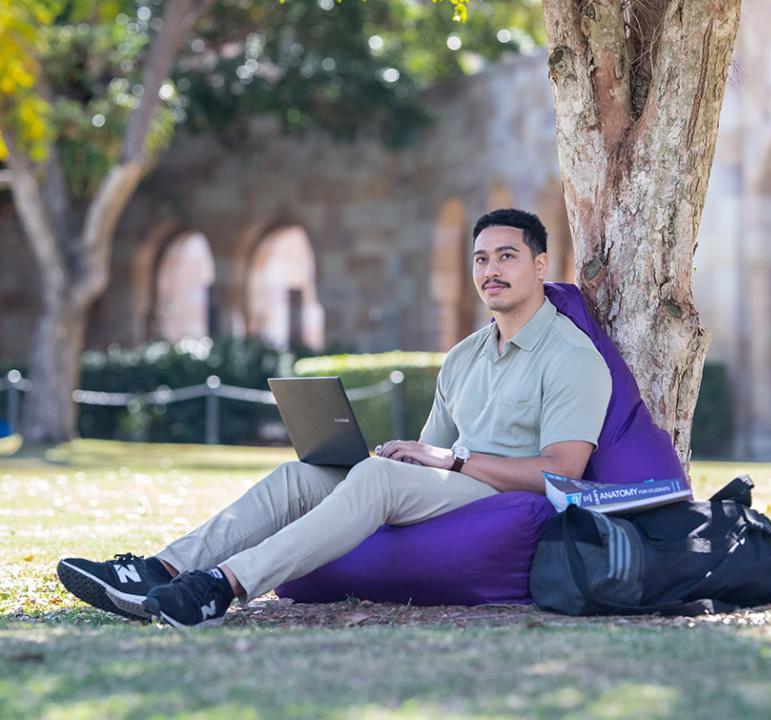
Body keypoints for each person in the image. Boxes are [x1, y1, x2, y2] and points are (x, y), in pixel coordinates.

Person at [57, 208, 612, 628]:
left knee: (376, 477)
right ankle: (161, 570)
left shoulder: (571, 357)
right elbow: (427, 458)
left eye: (507, 256)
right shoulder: (465, 355)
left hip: (504, 498)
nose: (490, 271)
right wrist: (404, 456)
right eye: (481, 258)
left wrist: (450, 460)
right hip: (451, 483)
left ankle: (221, 586)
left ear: (540, 264)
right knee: (304, 475)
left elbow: (563, 474)